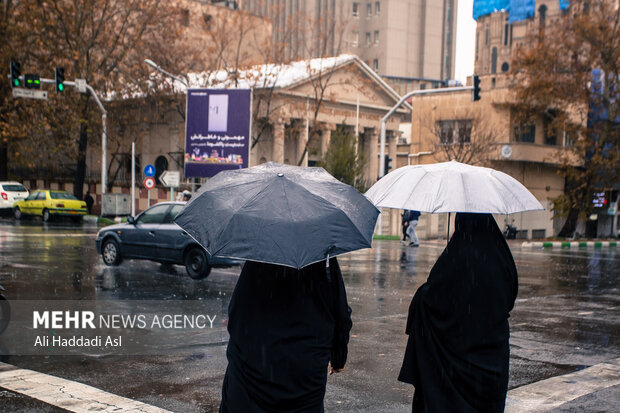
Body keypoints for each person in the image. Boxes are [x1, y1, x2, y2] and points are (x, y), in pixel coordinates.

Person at [398, 213, 518, 412]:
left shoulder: (456, 255)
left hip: (452, 368)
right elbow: (509, 298)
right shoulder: (500, 256)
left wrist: (434, 279)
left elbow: (430, 301)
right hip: (489, 363)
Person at [220, 258, 352, 413]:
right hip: (304, 373)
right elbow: (341, 314)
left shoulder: (259, 257)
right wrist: (338, 358)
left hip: (253, 373)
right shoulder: (322, 259)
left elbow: (236, 314)